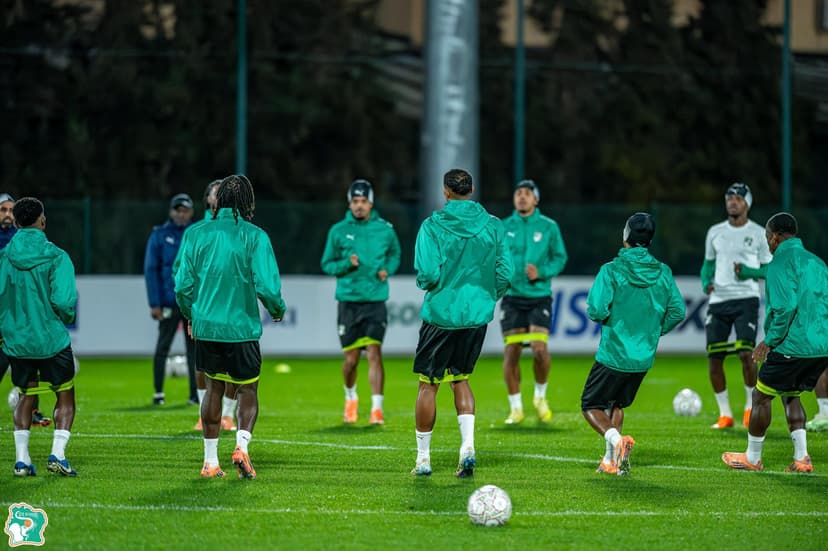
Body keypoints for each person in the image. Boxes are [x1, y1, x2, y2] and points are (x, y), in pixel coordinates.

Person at [175, 174, 286, 479]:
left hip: (207, 327)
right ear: (248, 202)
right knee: (247, 389)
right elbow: (266, 285)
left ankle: (210, 462)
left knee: (213, 387)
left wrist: (191, 315)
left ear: (219, 199)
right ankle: (241, 448)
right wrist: (277, 310)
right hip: (241, 328)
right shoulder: (255, 236)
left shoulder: (196, 234)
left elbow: (183, 285)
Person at [410, 168, 513, 478]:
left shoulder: (432, 226)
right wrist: (485, 297)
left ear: (446, 192)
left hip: (442, 315)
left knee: (428, 385)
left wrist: (430, 286)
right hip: (475, 318)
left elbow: (428, 274)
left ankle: (423, 460)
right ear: (471, 189)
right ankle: (467, 447)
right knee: (461, 379)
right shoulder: (494, 226)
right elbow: (505, 273)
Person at [581, 213, 685, 476]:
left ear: (626, 236)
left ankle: (617, 442)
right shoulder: (663, 272)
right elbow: (677, 311)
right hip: (642, 357)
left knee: (591, 405)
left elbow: (595, 309)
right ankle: (610, 461)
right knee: (617, 404)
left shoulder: (612, 270)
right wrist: (651, 332)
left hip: (614, 353)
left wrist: (611, 320)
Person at [723, 213, 828, 473]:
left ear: (775, 236)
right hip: (821, 346)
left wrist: (768, 342)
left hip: (791, 345)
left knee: (760, 396)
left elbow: (785, 307)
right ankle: (802, 458)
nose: (768, 243)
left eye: (767, 237)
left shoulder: (780, 261)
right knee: (790, 394)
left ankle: (752, 457)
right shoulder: (817, 263)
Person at [0, 197, 79, 477]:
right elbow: (63, 300)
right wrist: (66, 317)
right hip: (50, 340)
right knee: (65, 395)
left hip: (17, 342)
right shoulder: (57, 256)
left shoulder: (4, 256)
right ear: (42, 221)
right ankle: (58, 454)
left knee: (26, 396)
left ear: (17, 222)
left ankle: (22, 461)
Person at [321, 179, 401, 425]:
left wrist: (388, 268)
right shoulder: (338, 230)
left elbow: (395, 253)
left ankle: (377, 408)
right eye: (355, 201)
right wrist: (346, 264)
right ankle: (351, 398)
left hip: (375, 301)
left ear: (371, 203)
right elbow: (327, 264)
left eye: (363, 201)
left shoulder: (385, 229)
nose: (359, 206)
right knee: (351, 360)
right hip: (349, 301)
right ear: (349, 203)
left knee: (375, 353)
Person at [701, 183, 772, 429]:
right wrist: (705, 282)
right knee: (714, 358)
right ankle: (725, 414)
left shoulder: (759, 233)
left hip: (746, 298)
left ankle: (749, 408)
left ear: (747, 203)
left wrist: (749, 272)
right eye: (729, 196)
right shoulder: (715, 232)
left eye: (738, 198)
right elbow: (707, 265)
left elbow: (768, 269)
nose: (732, 201)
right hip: (719, 300)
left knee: (745, 353)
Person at [500, 179, 567, 425]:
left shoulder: (549, 226)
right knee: (512, 352)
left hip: (539, 296)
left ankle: (540, 397)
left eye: (527, 193)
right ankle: (516, 408)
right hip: (512, 298)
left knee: (539, 350)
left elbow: (560, 257)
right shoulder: (504, 226)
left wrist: (542, 271)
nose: (522, 197)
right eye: (518, 193)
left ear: (536, 199)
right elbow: (496, 257)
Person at [173, 181, 238, 432]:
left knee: (233, 369)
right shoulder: (196, 231)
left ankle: (229, 415)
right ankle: (204, 415)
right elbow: (179, 270)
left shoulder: (238, 230)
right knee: (202, 365)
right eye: (214, 193)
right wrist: (190, 305)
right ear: (208, 199)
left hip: (232, 308)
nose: (218, 197)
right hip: (204, 309)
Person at [0, 193, 50, 427]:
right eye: (3, 210)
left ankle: (33, 411)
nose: (7, 214)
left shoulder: (22, 239)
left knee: (30, 363)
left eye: (11, 210)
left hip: (22, 312)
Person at [144, 193, 196, 406]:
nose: (181, 214)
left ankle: (196, 394)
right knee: (163, 346)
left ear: (191, 212)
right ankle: (158, 392)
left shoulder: (196, 234)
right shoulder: (159, 235)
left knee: (194, 349)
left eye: (185, 210)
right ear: (172, 212)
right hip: (167, 301)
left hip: (192, 304)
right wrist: (154, 303)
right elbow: (151, 269)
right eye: (178, 210)